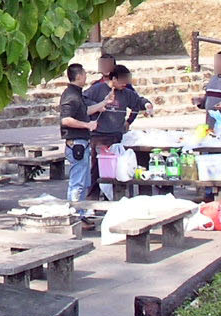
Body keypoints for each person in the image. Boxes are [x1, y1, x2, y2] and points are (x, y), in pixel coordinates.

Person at [86, 65, 153, 199]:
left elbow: (138, 101)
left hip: (117, 136)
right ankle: (91, 200)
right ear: (114, 78)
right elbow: (83, 101)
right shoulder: (97, 89)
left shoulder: (126, 93)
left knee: (117, 170)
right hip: (99, 136)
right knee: (97, 170)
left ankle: (113, 198)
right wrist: (99, 107)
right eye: (122, 81)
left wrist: (146, 105)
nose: (125, 84)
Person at [57, 63, 96, 219]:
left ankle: (80, 212)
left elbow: (84, 111)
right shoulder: (70, 96)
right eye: (85, 73)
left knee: (82, 181)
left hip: (82, 142)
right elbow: (66, 119)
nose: (86, 76)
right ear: (79, 76)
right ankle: (74, 214)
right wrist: (87, 125)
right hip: (76, 143)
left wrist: (102, 105)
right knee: (77, 183)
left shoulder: (76, 94)